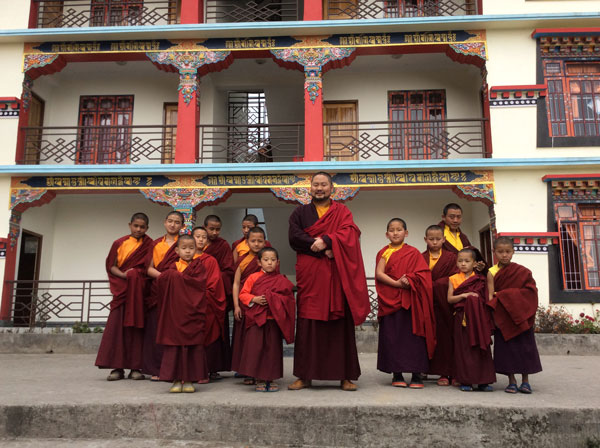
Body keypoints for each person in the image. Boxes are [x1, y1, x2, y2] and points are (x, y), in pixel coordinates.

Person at [288, 172, 370, 392]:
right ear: (310, 188)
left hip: (335, 277)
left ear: (332, 188)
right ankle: (305, 376)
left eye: (324, 184)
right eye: (316, 184)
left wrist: (327, 240)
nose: (319, 188)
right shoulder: (300, 212)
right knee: (308, 326)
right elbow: (294, 237)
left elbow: (350, 234)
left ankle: (345, 376)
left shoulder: (341, 211)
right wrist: (318, 246)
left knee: (339, 327)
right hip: (312, 276)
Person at [375, 218, 435, 389]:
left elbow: (423, 274)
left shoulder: (414, 252)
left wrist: (411, 279)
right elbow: (379, 274)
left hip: (412, 301)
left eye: (399, 229)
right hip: (391, 300)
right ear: (387, 234)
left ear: (406, 233)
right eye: (392, 230)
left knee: (415, 337)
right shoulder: (384, 253)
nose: (395, 233)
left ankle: (416, 375)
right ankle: (397, 374)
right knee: (394, 338)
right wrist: (397, 284)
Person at [95, 212, 153, 381]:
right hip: (122, 292)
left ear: (147, 228)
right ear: (130, 225)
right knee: (117, 330)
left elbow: (149, 267)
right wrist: (123, 276)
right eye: (136, 226)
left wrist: (136, 274)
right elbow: (111, 266)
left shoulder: (149, 244)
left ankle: (136, 368)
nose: (139, 229)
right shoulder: (119, 243)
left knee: (137, 330)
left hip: (139, 292)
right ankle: (117, 368)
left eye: (142, 227)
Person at [488, 237, 542, 394]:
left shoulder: (523, 272)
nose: (504, 255)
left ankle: (526, 381)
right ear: (494, 252)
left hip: (521, 316)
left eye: (507, 251)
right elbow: (491, 297)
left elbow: (531, 292)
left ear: (513, 252)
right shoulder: (492, 272)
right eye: (500, 252)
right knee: (507, 350)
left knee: (524, 348)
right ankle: (511, 381)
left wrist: (505, 294)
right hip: (503, 317)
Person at [237, 247, 295, 392]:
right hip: (257, 320)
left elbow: (289, 300)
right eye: (266, 260)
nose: (269, 263)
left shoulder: (281, 280)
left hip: (273, 321)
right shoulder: (253, 278)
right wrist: (254, 299)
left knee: (272, 350)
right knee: (256, 349)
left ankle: (271, 377)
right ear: (259, 262)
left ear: (278, 262)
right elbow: (242, 294)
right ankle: (260, 378)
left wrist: (273, 298)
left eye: (273, 260)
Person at [155, 235, 209, 393]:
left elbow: (199, 286)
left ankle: (190, 380)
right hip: (174, 314)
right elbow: (161, 283)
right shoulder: (172, 268)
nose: (187, 251)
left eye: (191, 248)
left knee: (192, 347)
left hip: (192, 313)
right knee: (175, 348)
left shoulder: (199, 267)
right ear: (177, 250)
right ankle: (176, 380)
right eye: (184, 248)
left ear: (196, 250)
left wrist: (178, 278)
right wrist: (173, 277)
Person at [142, 211, 184, 380]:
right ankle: (157, 369)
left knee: (175, 330)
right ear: (165, 222)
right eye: (170, 221)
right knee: (156, 329)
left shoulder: (184, 243)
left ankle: (176, 369)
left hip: (178, 290)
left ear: (182, 225)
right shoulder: (155, 243)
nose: (173, 225)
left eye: (177, 222)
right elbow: (148, 267)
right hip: (159, 288)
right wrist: (164, 277)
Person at [447, 248, 496, 392]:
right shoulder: (453, 278)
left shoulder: (480, 278)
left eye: (467, 261)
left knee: (481, 347)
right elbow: (450, 299)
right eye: (460, 261)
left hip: (478, 318)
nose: (463, 264)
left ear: (474, 263)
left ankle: (483, 381)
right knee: (464, 349)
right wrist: (464, 295)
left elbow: (487, 296)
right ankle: (466, 381)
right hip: (462, 317)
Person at [421, 224, 459, 386]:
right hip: (427, 303)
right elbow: (418, 278)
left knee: (447, 338)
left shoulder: (452, 257)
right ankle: (432, 371)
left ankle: (449, 372)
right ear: (425, 240)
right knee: (429, 336)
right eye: (431, 239)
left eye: (438, 239)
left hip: (446, 304)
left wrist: (435, 285)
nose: (435, 242)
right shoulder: (420, 257)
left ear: (443, 239)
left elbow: (456, 278)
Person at [231, 226, 267, 382]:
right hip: (245, 303)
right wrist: (236, 306)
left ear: (265, 242)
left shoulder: (268, 259)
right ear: (247, 242)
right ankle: (244, 369)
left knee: (259, 340)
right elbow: (236, 284)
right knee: (243, 338)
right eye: (253, 241)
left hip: (263, 304)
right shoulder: (243, 260)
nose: (257, 244)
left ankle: (260, 369)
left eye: (260, 241)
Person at [191, 226, 227, 382]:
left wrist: (199, 295)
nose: (200, 239)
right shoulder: (183, 260)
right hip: (187, 306)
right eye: (197, 236)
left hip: (206, 303)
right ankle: (189, 371)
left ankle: (206, 370)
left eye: (203, 237)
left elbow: (215, 283)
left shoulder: (210, 260)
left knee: (208, 335)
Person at [202, 215, 235, 375]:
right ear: (204, 227)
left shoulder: (222, 245)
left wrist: (213, 279)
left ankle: (214, 368)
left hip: (215, 294)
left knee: (216, 330)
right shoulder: (194, 245)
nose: (215, 232)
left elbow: (229, 271)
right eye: (211, 229)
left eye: (217, 229)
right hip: (196, 296)